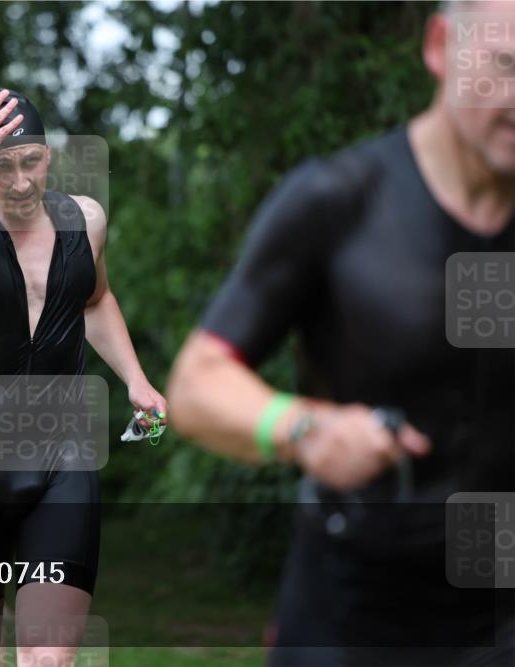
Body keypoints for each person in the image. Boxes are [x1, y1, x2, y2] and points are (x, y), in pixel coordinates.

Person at [166, 4, 514, 665]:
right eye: (509, 66)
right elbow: (196, 383)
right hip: (354, 614)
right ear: (442, 46)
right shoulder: (338, 200)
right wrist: (305, 427)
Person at [0, 88, 166, 666]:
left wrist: (136, 380)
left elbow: (93, 300)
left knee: (48, 658)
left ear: (50, 157)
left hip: (63, 465)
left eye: (32, 161)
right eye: (1, 165)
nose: (19, 181)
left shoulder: (84, 220)